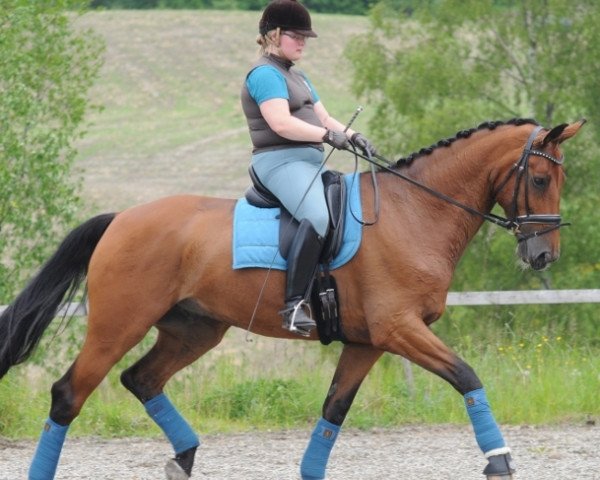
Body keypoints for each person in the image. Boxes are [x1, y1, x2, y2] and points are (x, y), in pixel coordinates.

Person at [241, 0, 377, 336]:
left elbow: (325, 118)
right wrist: (327, 136)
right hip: (280, 161)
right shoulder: (265, 75)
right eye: (296, 35)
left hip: (309, 161)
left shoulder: (298, 76)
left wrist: (353, 135)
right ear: (274, 35)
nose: (302, 42)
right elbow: (282, 124)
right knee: (317, 216)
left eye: (305, 37)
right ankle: (293, 305)